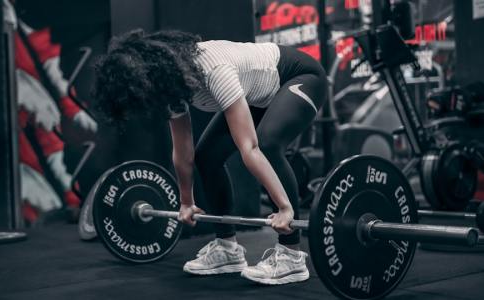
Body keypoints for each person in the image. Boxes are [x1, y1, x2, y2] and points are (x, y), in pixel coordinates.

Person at [93, 29, 327, 285]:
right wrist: (186, 202)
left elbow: (249, 147)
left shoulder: (214, 70)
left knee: (268, 145)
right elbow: (184, 152)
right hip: (259, 95)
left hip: (300, 77)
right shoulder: (172, 89)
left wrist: (285, 208)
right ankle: (227, 249)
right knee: (207, 156)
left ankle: (291, 255)